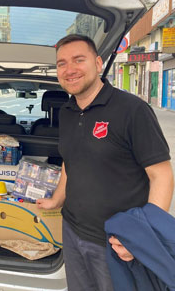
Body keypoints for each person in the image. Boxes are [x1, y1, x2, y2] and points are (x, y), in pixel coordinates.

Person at [37, 34, 174, 291]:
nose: (70, 70)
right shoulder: (66, 112)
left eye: (79, 60)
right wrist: (57, 199)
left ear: (99, 63)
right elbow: (71, 160)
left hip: (116, 242)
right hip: (73, 229)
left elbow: (162, 176)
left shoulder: (132, 110)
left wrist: (142, 237)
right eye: (62, 63)